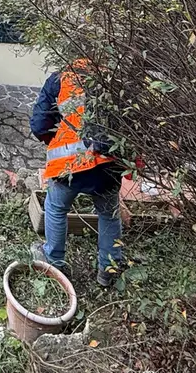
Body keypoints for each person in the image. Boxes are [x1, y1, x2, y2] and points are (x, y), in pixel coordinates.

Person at [29, 58, 125, 288]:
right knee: (109, 215)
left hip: (68, 163)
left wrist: (57, 140)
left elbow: (40, 125)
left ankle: (54, 261)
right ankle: (108, 271)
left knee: (56, 208)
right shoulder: (118, 79)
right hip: (108, 164)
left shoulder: (60, 78)